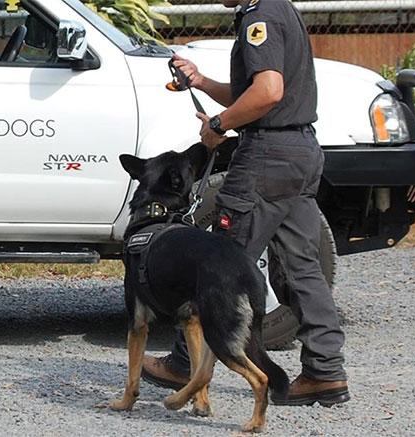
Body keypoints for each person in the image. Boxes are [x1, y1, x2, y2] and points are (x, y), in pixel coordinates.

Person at [141, 0, 350, 406]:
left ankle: (186, 363)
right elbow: (251, 93)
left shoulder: (261, 17)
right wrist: (200, 82)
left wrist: (220, 125)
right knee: (303, 268)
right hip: (300, 152)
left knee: (219, 262)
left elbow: (268, 92)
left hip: (267, 157)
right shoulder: (280, 9)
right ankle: (325, 372)